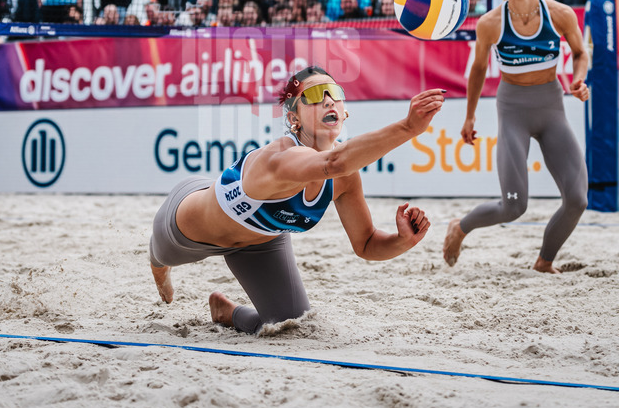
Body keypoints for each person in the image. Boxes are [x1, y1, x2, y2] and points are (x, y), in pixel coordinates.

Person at [149, 66, 443, 334]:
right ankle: (157, 264)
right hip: (188, 230)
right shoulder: (279, 157)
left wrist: (403, 240)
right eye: (315, 95)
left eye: (335, 94)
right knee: (161, 255)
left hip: (262, 241)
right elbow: (335, 162)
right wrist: (408, 127)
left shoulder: (346, 178)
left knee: (289, 324)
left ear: (344, 111)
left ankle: (228, 312)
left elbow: (366, 244)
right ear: (293, 118)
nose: (329, 100)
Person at [443, 0, 589, 274]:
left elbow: (581, 53)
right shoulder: (490, 24)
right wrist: (469, 116)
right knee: (513, 205)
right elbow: (478, 69)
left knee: (578, 200)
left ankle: (544, 262)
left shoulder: (560, 14)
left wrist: (579, 81)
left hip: (552, 108)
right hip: (513, 112)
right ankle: (459, 227)